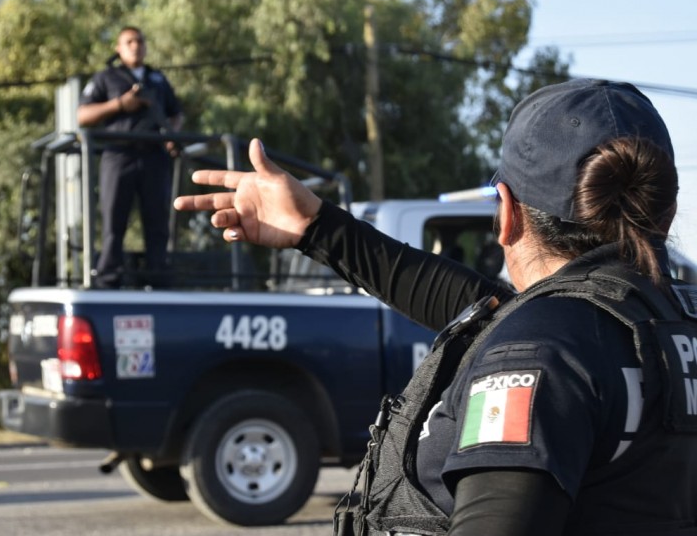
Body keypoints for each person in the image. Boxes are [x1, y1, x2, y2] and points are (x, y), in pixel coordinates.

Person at [174, 79, 697, 535]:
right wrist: (319, 229)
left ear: (507, 212)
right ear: (664, 210)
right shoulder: (651, 322)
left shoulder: (545, 350)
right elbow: (484, 309)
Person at [78, 26, 184, 289]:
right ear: (118, 48)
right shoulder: (106, 77)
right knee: (114, 220)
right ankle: (108, 277)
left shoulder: (157, 79)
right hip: (118, 155)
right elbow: (82, 116)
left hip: (154, 157)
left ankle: (158, 276)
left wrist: (173, 134)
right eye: (129, 41)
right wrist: (121, 104)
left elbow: (177, 113)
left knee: (158, 222)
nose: (136, 46)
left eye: (140, 41)